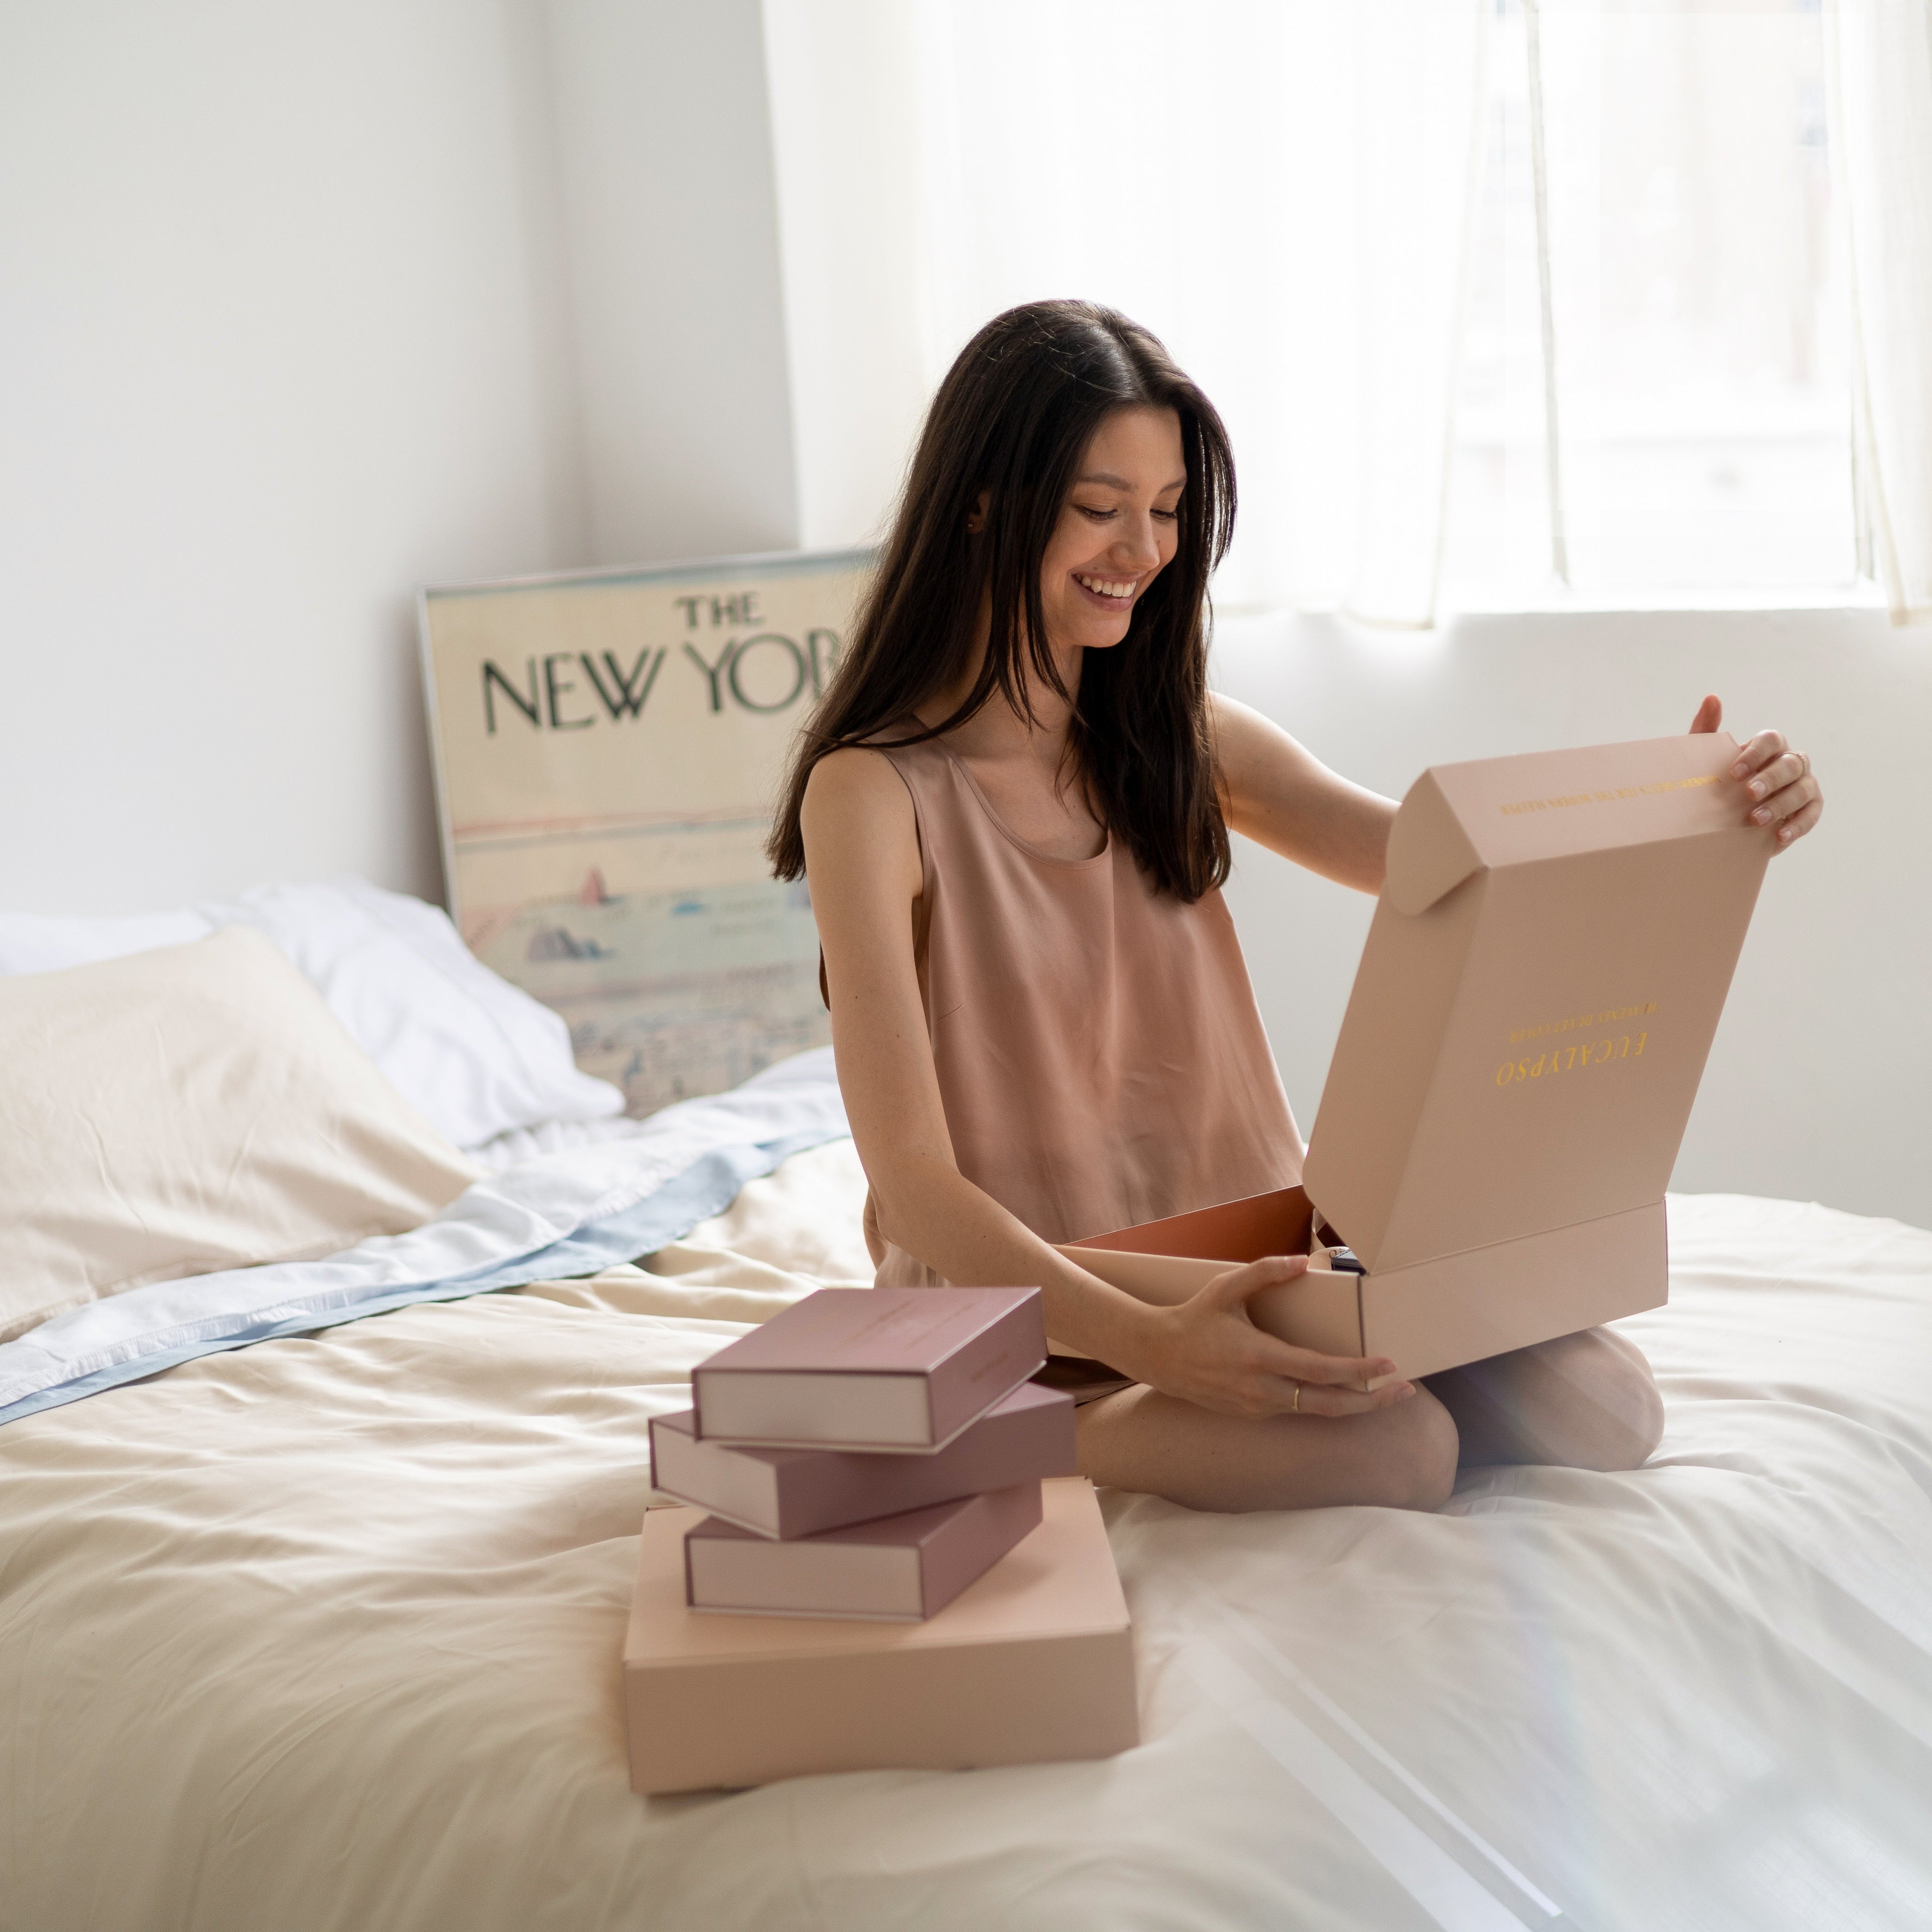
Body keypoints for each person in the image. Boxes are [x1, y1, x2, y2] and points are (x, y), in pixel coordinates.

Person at [768, 300, 1824, 1515]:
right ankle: (1011, 1434)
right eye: (1101, 508)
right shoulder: (874, 793)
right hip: (1036, 1309)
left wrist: (1691, 814)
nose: (1143, 550)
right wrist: (1151, 1350)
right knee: (1396, 1452)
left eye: (1167, 513)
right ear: (985, 502)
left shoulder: (1184, 741)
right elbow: (912, 1183)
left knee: (1608, 1415)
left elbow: (1455, 872)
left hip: (1253, 1254)